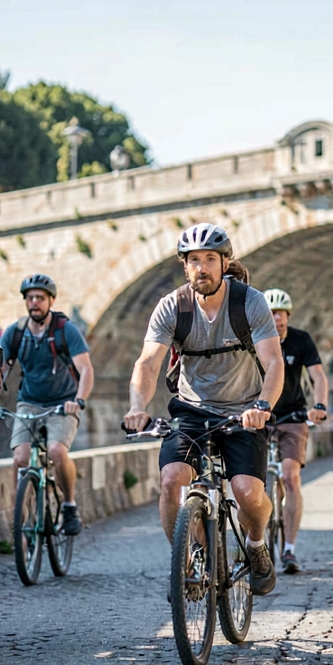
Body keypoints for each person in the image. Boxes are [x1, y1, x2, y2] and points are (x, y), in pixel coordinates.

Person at [122, 223, 285, 596]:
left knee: (247, 493)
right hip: (191, 411)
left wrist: (262, 406)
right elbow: (147, 362)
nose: (202, 267)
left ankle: (257, 547)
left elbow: (274, 363)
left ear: (224, 263)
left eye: (210, 259)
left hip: (243, 410)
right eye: (194, 260)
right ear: (185, 266)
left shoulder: (249, 303)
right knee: (170, 480)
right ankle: (192, 557)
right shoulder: (173, 306)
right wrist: (137, 406)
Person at [0, 274, 95, 535]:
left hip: (62, 404)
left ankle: (69, 505)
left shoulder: (65, 330)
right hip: (29, 402)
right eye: (30, 298)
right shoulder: (15, 333)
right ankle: (24, 520)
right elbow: (0, 369)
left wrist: (79, 400)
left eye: (40, 297)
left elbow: (85, 369)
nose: (35, 302)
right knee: (20, 458)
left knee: (56, 451)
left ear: (50, 300)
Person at [263, 288, 329, 574]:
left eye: (279, 313)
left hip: (292, 416)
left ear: (288, 316)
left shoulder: (301, 340)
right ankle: (256, 543)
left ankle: (288, 549)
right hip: (259, 418)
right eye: (270, 313)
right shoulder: (254, 340)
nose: (275, 318)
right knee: (254, 483)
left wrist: (320, 404)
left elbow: (317, 375)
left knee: (290, 477)